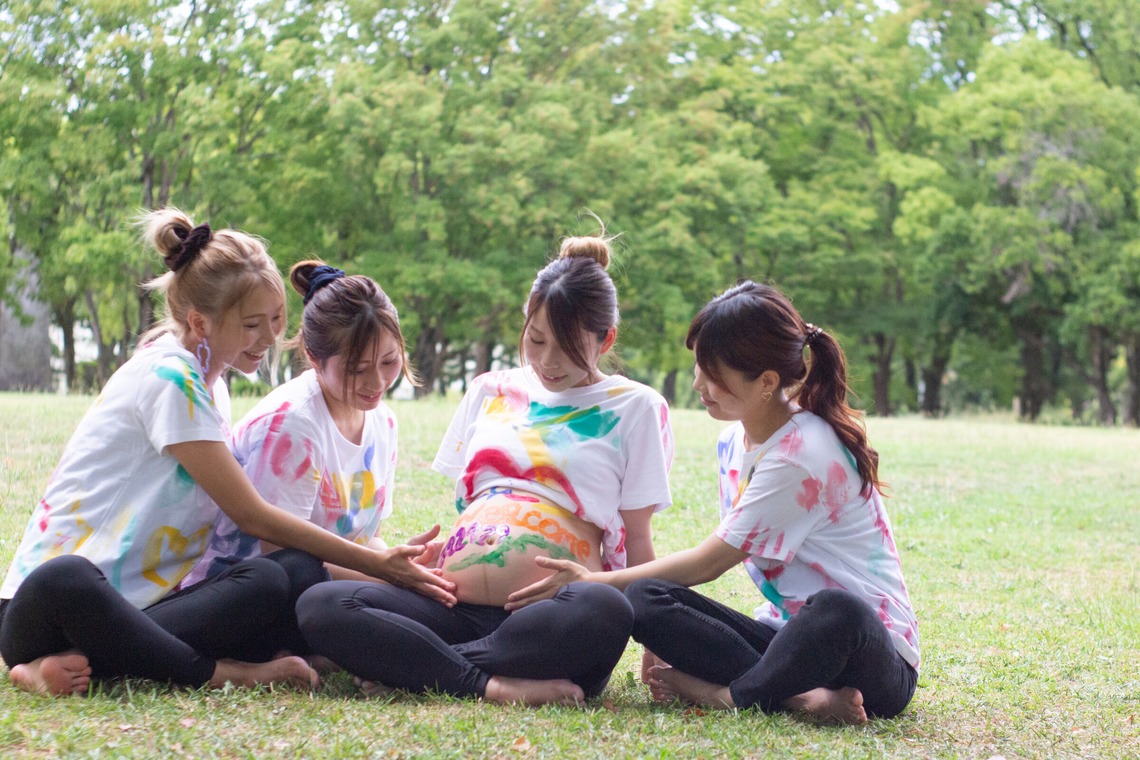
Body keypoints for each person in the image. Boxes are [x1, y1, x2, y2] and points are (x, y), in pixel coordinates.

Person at [0, 209, 454, 697]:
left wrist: (389, 561)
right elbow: (252, 516)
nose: (270, 339)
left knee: (277, 578)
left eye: (277, 320)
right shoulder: (170, 379)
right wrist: (379, 567)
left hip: (144, 609)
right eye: (252, 325)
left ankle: (89, 663)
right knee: (67, 577)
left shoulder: (211, 385)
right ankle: (222, 673)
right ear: (201, 322)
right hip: (54, 607)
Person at [506, 281, 919, 724]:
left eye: (714, 372)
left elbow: (709, 563)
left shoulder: (802, 453)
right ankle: (799, 697)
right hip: (784, 640)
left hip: (867, 658)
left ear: (766, 382)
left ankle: (729, 696)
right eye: (699, 365)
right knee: (646, 597)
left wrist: (592, 581)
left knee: (838, 609)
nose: (699, 383)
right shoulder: (732, 442)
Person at [297, 223, 674, 706]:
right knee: (322, 604)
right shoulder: (490, 390)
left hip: (551, 614)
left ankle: (415, 664)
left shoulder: (636, 407)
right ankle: (490, 684)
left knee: (603, 609)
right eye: (536, 341)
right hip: (452, 603)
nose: (547, 361)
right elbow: (477, 506)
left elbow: (638, 537)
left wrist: (655, 644)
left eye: (568, 346)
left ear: (606, 339)